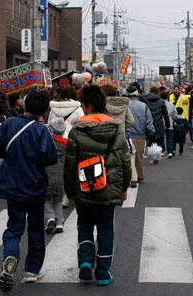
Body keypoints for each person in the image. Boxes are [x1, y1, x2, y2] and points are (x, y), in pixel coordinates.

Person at [0, 90, 57, 291]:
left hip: (12, 184)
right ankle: (32, 271)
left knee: (14, 226)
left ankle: (10, 254)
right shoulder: (42, 130)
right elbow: (50, 157)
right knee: (35, 228)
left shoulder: (9, 124)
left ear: (24, 106)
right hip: (34, 185)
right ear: (44, 111)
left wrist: (7, 155)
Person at [64, 85, 131, 287]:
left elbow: (69, 165)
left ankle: (85, 260)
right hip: (109, 186)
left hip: (84, 187)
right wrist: (124, 187)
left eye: (83, 105)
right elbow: (125, 162)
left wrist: (70, 191)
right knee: (105, 230)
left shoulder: (77, 130)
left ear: (89, 105)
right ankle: (102, 272)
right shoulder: (116, 128)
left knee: (84, 225)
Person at [126, 87, 154, 185]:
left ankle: (131, 177)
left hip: (127, 135)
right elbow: (149, 122)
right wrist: (151, 133)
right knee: (139, 156)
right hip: (140, 135)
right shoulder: (144, 106)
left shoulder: (126, 105)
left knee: (129, 157)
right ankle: (139, 175)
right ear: (137, 95)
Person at [44, 118, 68, 234]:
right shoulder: (66, 145)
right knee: (58, 200)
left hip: (46, 176)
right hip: (61, 178)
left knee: (46, 198)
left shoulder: (46, 144)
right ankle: (60, 223)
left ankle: (50, 217)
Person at [146, 87, 170, 162]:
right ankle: (156, 156)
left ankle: (151, 155)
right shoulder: (161, 101)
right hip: (159, 123)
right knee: (158, 141)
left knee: (150, 140)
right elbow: (165, 114)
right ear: (158, 92)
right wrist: (167, 124)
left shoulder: (146, 100)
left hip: (148, 123)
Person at [160, 91, 178, 158]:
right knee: (169, 137)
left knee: (161, 137)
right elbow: (175, 115)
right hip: (169, 122)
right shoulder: (171, 104)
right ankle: (169, 152)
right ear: (167, 97)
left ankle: (162, 151)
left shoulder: (159, 104)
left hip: (160, 122)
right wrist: (172, 119)